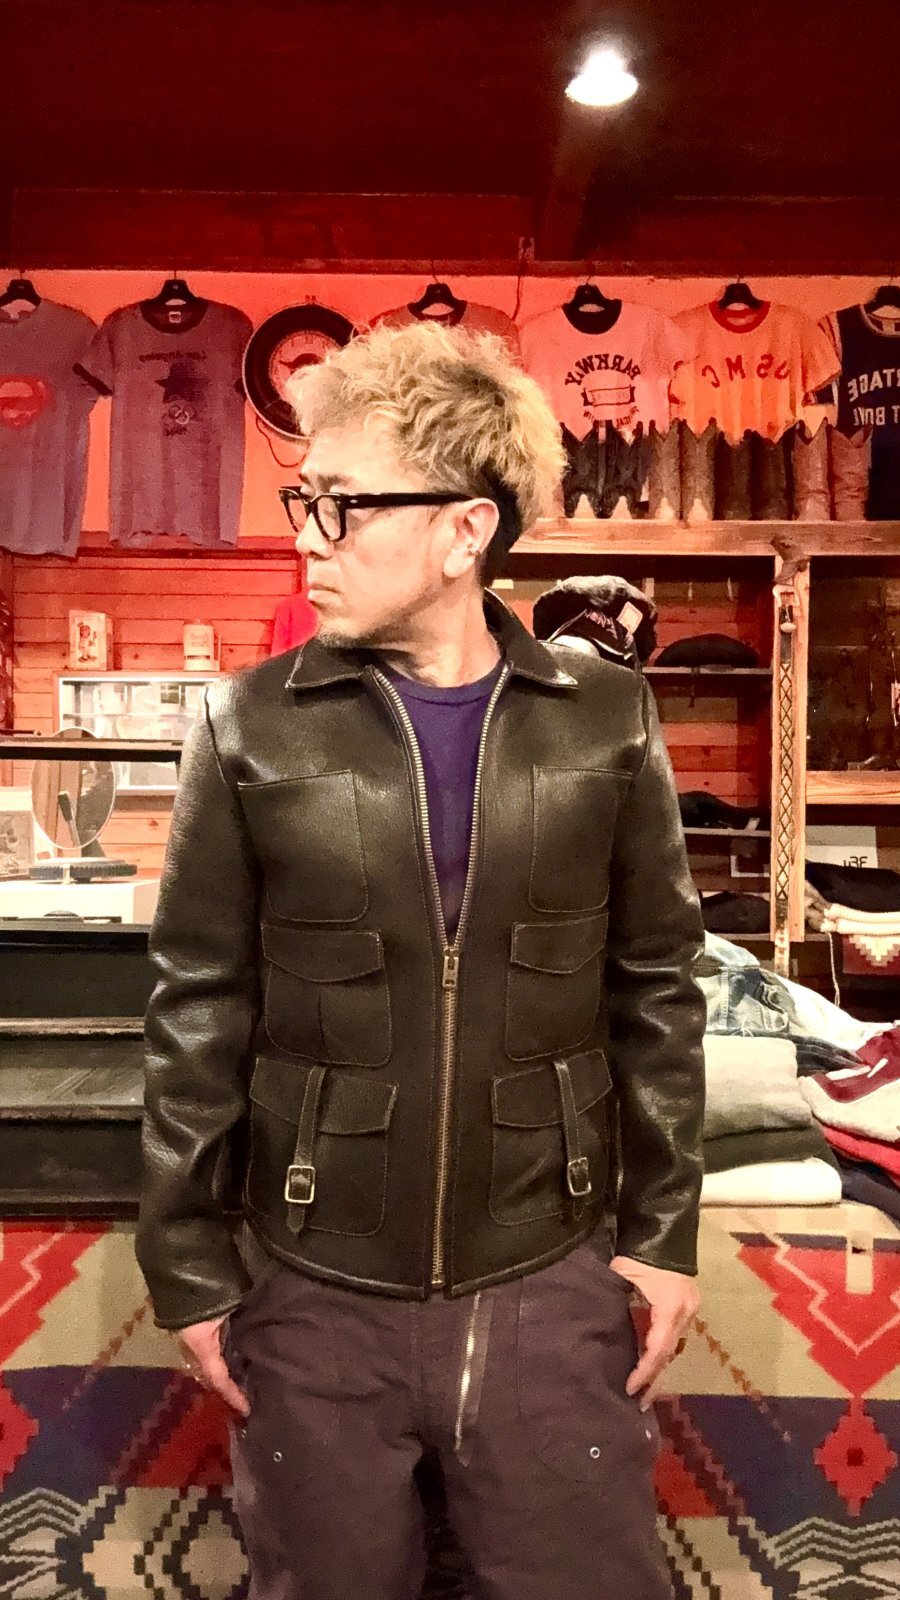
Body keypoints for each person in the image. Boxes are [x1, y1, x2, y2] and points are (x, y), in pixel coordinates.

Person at [137, 321, 706, 1600]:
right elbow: (196, 1011)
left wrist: (665, 1233)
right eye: (306, 499)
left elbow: (659, 989)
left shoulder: (606, 720)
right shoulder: (247, 727)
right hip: (312, 1283)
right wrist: (186, 1265)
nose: (307, 536)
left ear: (464, 530)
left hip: (549, 1274)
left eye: (341, 505)